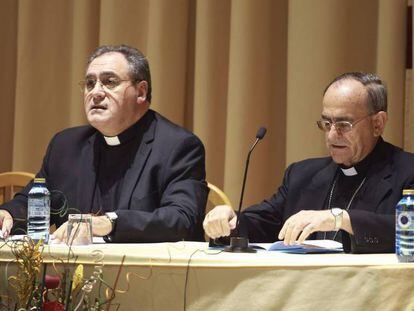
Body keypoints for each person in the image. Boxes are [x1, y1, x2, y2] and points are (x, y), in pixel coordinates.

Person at [0, 44, 208, 243]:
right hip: (71, 275)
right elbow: (35, 202)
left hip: (147, 274)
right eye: (90, 83)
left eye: (109, 82)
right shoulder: (66, 145)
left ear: (141, 92)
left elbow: (182, 218)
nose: (96, 92)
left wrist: (109, 223)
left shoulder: (178, 146)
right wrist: (8, 214)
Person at [204, 72, 414, 253]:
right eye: (327, 123)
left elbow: (408, 231)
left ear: (377, 124)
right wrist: (230, 221)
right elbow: (262, 223)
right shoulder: (303, 175)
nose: (332, 135)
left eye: (343, 124)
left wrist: (342, 219)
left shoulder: (407, 172)